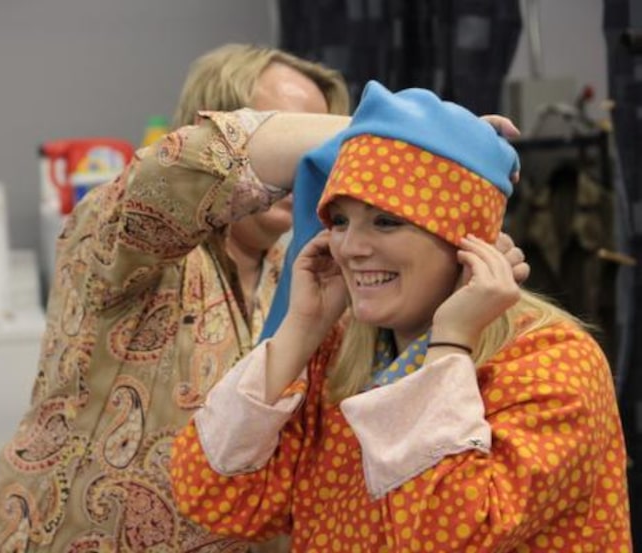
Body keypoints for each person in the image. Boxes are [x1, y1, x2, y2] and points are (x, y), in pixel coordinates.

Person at [0, 43, 524, 552]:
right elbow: (199, 158)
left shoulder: (323, 277)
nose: (315, 166)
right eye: (306, 140)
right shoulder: (123, 241)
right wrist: (415, 139)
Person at [170, 81, 632, 551]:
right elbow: (214, 495)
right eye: (341, 220)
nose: (351, 247)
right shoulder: (342, 356)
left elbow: (446, 536)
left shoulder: (549, 363)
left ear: (467, 239)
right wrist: (301, 328)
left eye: (386, 221)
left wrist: (450, 342)